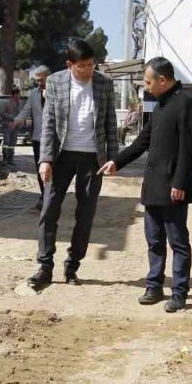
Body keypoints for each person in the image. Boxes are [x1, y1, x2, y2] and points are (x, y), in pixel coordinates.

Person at [99, 56, 192, 313]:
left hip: (174, 187)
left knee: (177, 241)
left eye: (148, 82)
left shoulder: (187, 104)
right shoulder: (160, 105)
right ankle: (154, 286)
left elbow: (190, 149)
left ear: (162, 80)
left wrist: (180, 182)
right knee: (154, 240)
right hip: (153, 186)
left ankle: (179, 292)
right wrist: (117, 162)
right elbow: (141, 142)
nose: (146, 86)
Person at [28, 38, 118, 287]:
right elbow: (48, 123)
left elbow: (111, 122)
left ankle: (72, 267)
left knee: (86, 213)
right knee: (49, 209)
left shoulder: (104, 83)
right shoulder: (56, 82)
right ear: (70, 64)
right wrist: (45, 159)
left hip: (92, 158)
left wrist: (113, 158)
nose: (89, 70)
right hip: (61, 156)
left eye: (92, 64)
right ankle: (45, 266)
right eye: (83, 65)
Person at [12, 65, 49, 196]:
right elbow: (26, 110)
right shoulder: (33, 94)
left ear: (48, 78)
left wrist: (48, 97)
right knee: (40, 169)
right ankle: (44, 195)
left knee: (53, 170)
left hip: (53, 140)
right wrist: (17, 121)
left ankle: (52, 197)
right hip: (38, 138)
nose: (39, 83)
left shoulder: (56, 93)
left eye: (42, 80)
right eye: (37, 80)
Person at [1, 87, 23, 165]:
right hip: (8, 126)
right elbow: (2, 114)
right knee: (6, 143)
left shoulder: (20, 103)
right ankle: (5, 160)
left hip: (15, 127)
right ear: (15, 94)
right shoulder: (7, 103)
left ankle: (11, 160)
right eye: (19, 94)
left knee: (13, 143)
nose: (20, 95)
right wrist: (13, 118)